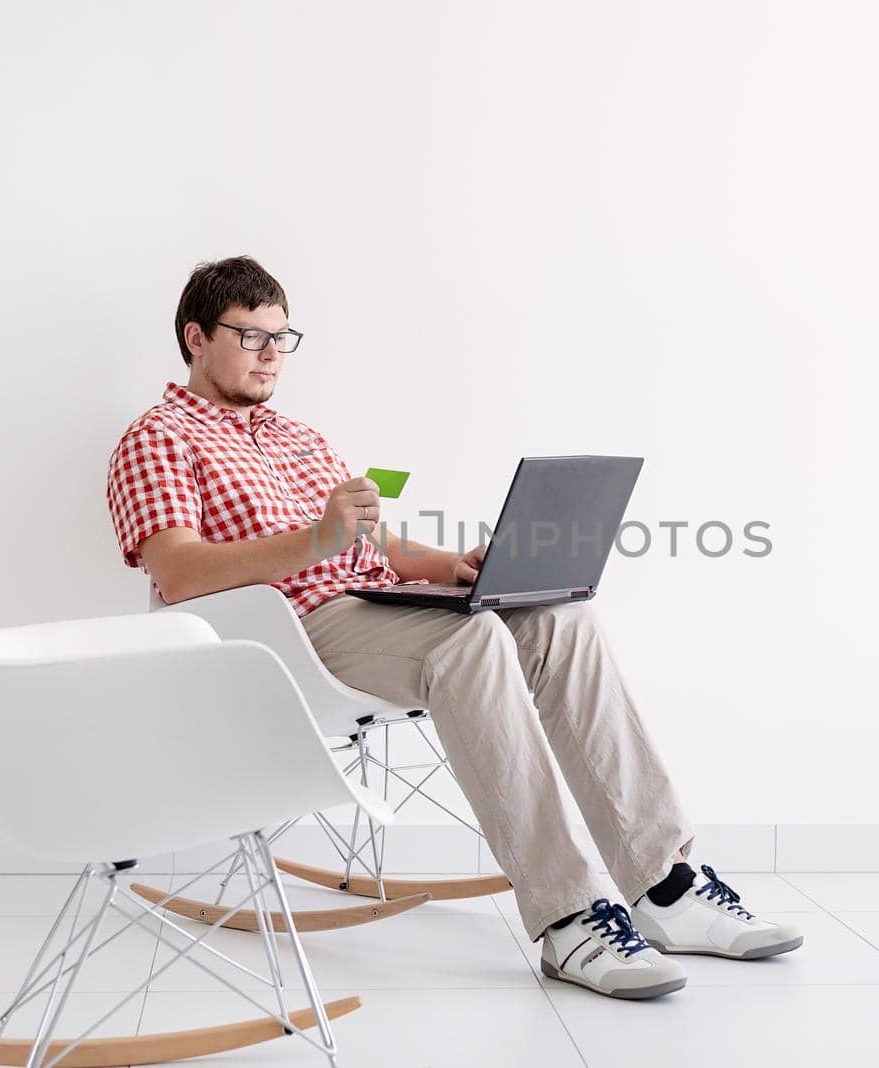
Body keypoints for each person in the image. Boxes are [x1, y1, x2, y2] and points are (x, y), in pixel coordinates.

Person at [105, 255, 802, 1000]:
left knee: (560, 617)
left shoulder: (298, 437)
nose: (273, 353)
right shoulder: (158, 437)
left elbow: (369, 546)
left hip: (376, 606)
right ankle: (566, 915)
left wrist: (452, 568)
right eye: (251, 336)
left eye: (283, 337)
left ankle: (665, 885)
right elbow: (178, 573)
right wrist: (317, 542)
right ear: (195, 337)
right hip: (285, 634)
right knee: (469, 643)